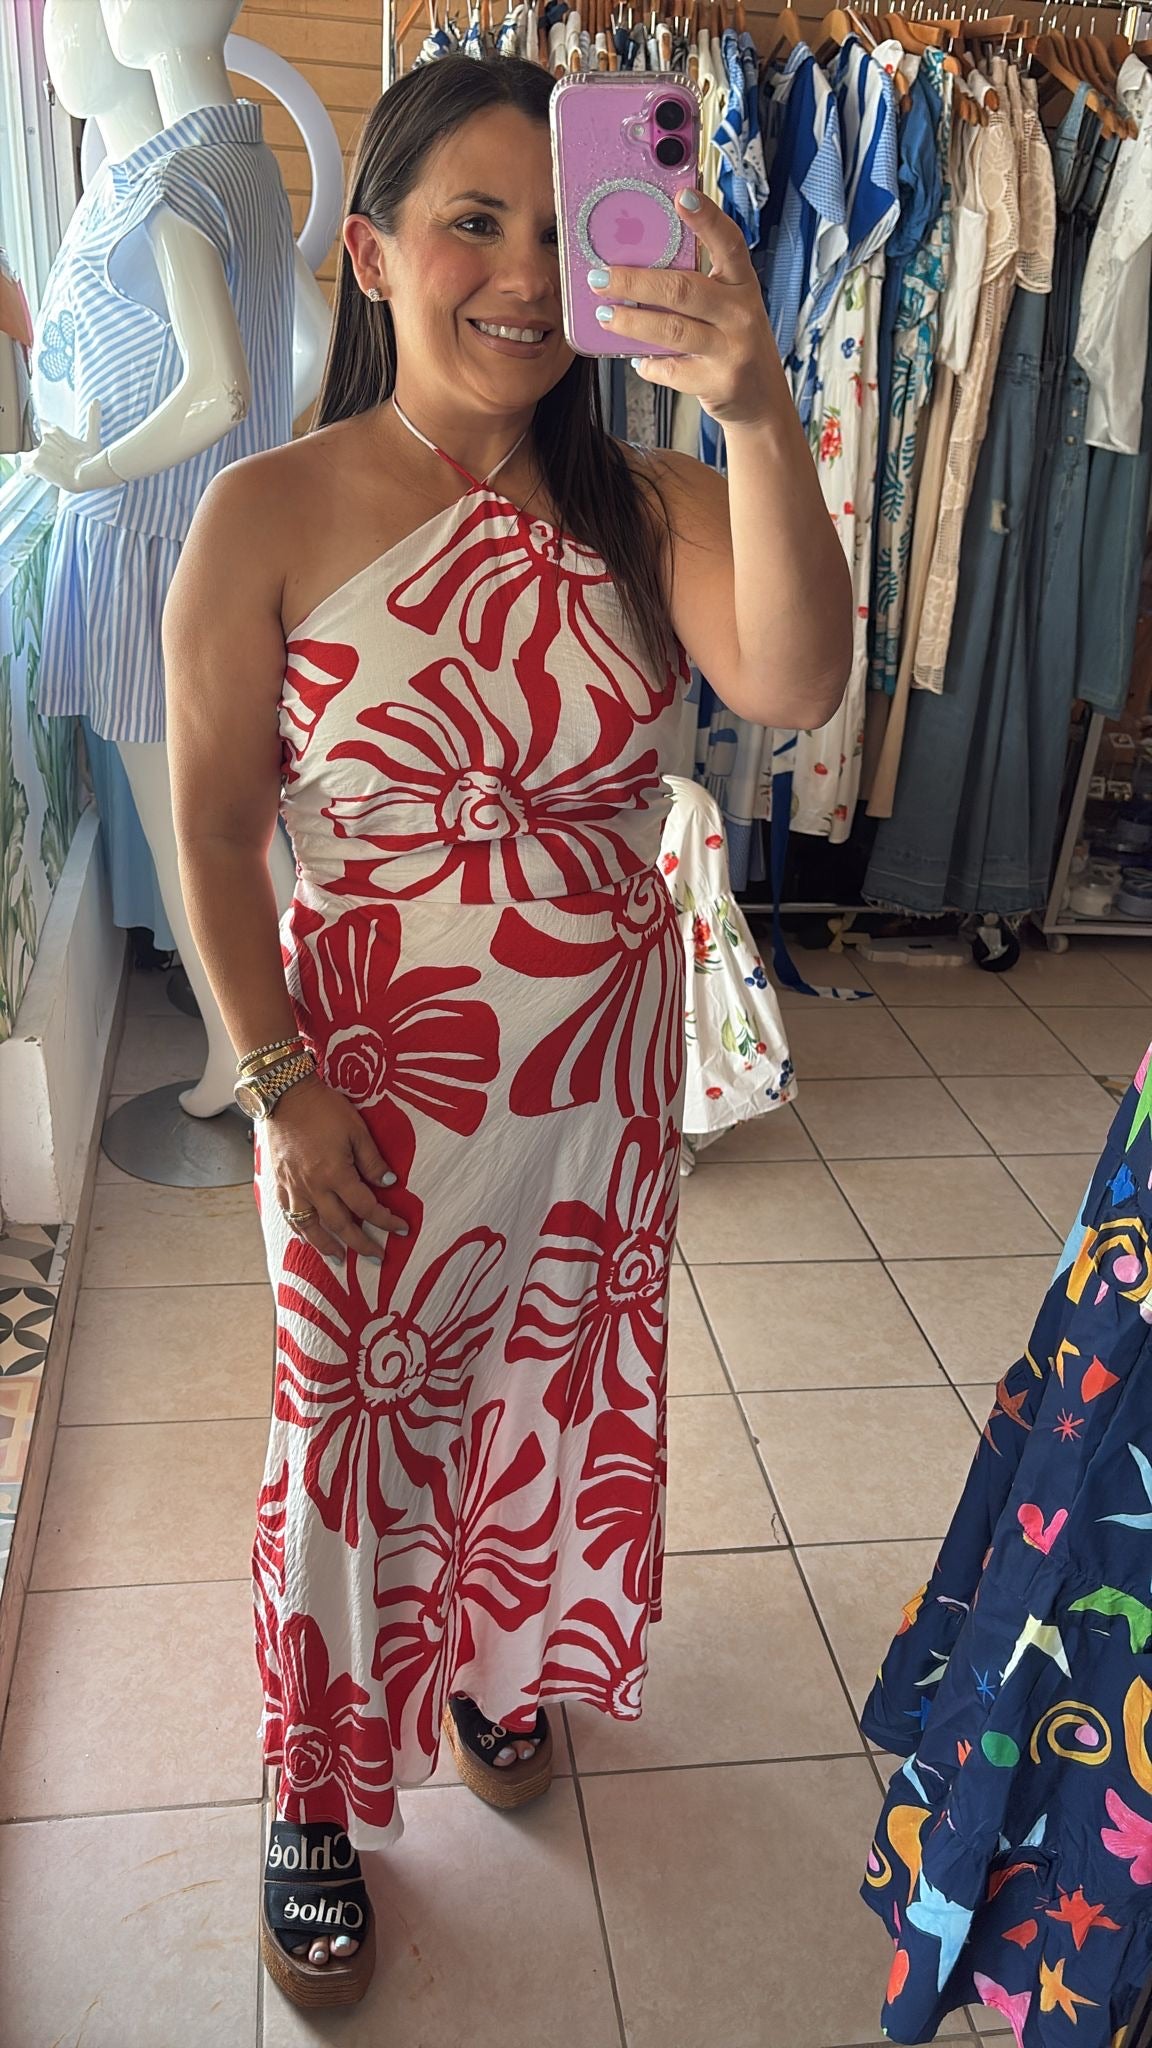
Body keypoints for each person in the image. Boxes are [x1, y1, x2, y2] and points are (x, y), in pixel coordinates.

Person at [164, 53, 850, 2009]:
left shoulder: (653, 500)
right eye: (474, 222)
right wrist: (281, 1086)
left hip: (598, 1102)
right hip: (364, 1100)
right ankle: (314, 1791)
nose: (529, 274)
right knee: (350, 1438)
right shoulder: (265, 511)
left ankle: (499, 1659)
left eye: (561, 226)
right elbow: (212, 832)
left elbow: (797, 679)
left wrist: (755, 402)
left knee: (548, 1401)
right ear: (374, 252)